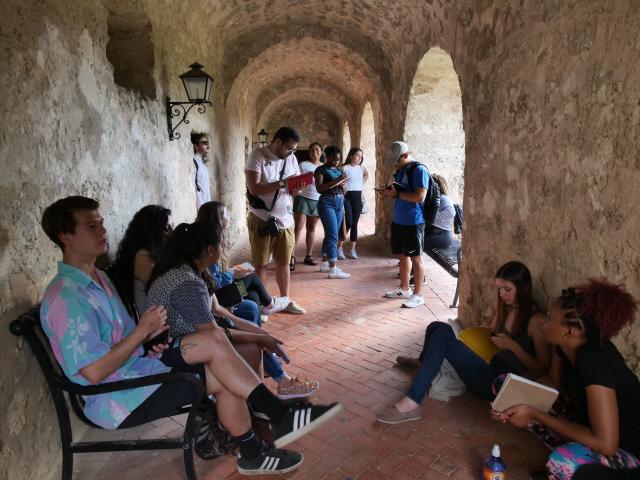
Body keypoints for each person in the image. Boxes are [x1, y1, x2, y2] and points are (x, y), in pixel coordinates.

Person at [39, 196, 341, 476]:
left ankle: (259, 440)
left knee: (216, 348)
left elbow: (122, 339)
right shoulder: (66, 298)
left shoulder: (98, 278)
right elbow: (92, 372)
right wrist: (141, 333)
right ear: (65, 237)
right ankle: (263, 433)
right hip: (118, 396)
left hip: (141, 368)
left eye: (101, 222)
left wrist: (148, 335)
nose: (102, 229)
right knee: (221, 363)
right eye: (92, 226)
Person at [493, 279, 640, 480]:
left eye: (549, 317)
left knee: (563, 462)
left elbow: (607, 444)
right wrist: (512, 401)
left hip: (626, 454)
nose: (543, 322)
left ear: (569, 331)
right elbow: (552, 382)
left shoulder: (595, 360)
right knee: (505, 385)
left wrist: (534, 413)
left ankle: (573, 468)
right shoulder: (565, 348)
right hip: (590, 429)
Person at [377, 261, 551, 424]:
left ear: (524, 288)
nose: (501, 294)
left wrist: (513, 346)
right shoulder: (508, 307)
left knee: (443, 338)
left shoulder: (537, 321)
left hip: (500, 384)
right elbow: (489, 334)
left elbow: (542, 371)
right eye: (499, 289)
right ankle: (422, 363)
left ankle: (412, 401)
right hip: (489, 365)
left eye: (507, 289)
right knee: (437, 326)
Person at [196, 201, 320, 399]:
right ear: (218, 219)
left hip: (218, 299)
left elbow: (213, 276)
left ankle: (263, 357)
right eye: (227, 213)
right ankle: (270, 310)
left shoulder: (209, 242)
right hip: (220, 297)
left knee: (253, 301)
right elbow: (214, 283)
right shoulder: (208, 245)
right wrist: (233, 274)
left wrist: (232, 270)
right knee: (252, 282)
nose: (229, 216)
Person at [245, 126, 305, 314]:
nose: (290, 153)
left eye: (293, 149)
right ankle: (265, 304)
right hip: (262, 218)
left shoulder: (291, 158)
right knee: (261, 263)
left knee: (284, 262)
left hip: (286, 219)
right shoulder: (257, 155)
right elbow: (254, 188)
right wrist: (282, 183)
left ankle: (285, 300)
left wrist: (297, 189)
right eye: (288, 148)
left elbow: (295, 187)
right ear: (277, 141)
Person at [378, 141, 428, 308]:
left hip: (413, 221)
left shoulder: (419, 170)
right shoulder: (401, 170)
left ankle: (418, 295)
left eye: (396, 160)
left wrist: (397, 195)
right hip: (399, 220)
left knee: (416, 258)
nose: (394, 164)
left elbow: (420, 197)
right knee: (403, 256)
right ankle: (404, 288)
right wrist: (390, 193)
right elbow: (399, 192)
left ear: (405, 155)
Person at [110, 205, 173, 318]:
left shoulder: (155, 254)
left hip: (160, 315)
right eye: (166, 227)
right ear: (154, 230)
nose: (169, 231)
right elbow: (165, 290)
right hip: (152, 322)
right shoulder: (143, 258)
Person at [314, 145, 350, 279]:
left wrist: (343, 185)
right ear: (327, 157)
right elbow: (319, 188)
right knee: (333, 236)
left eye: (339, 159)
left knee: (330, 234)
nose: (336, 161)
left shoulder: (339, 170)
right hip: (327, 203)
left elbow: (344, 190)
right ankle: (333, 268)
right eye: (334, 159)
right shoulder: (320, 170)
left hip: (340, 202)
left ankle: (324, 263)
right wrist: (335, 181)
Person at [292, 142, 323, 269]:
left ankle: (308, 255)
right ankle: (291, 257)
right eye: (312, 150)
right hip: (303, 198)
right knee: (298, 227)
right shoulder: (303, 165)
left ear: (321, 152)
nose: (314, 152)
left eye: (317, 149)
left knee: (311, 228)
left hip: (317, 199)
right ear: (309, 152)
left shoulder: (323, 166)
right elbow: (296, 180)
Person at [337, 147, 368, 259]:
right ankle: (339, 248)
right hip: (347, 197)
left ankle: (352, 250)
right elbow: (338, 180)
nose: (360, 158)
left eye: (361, 156)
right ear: (351, 156)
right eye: (357, 155)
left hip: (357, 197)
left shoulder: (361, 168)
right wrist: (343, 184)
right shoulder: (344, 167)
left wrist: (360, 183)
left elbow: (366, 175)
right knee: (348, 222)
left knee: (355, 223)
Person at [423, 174, 455, 250]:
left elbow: (451, 212)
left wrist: (432, 220)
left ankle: (409, 261)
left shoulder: (443, 198)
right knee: (410, 239)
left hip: (442, 236)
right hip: (436, 233)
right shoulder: (434, 198)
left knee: (412, 242)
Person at [191, 131, 212, 211]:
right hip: (201, 206)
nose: (208, 146)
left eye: (207, 143)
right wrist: (201, 208)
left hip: (206, 204)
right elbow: (195, 187)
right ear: (196, 146)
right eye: (204, 143)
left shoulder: (201, 163)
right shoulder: (194, 162)